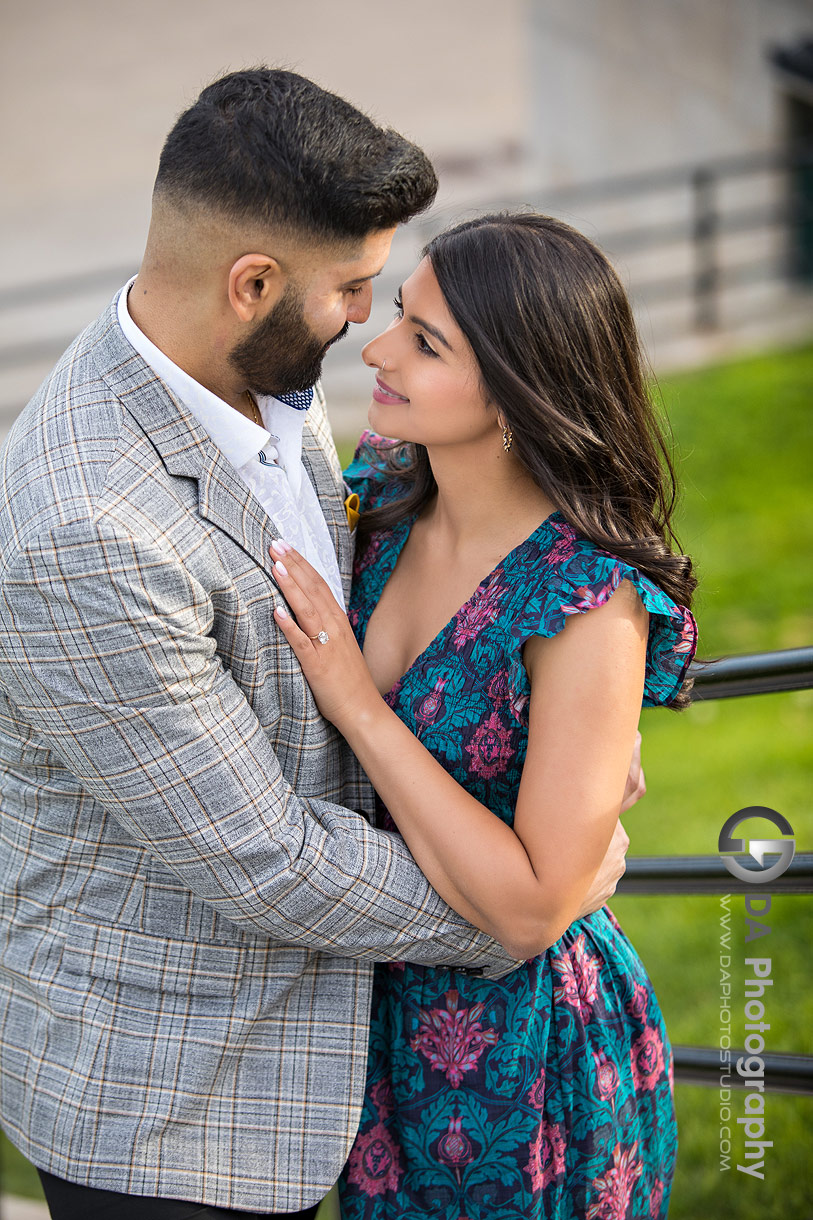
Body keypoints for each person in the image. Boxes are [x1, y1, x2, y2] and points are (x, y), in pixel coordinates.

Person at [0, 74, 637, 1219]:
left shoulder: (262, 381)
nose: (367, 329)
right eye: (353, 289)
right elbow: (269, 860)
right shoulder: (88, 529)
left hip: (354, 1060)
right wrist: (539, 894)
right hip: (178, 1113)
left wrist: (552, 772)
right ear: (252, 284)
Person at [270, 212, 698, 1219]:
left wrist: (359, 707)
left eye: (425, 341)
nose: (376, 348)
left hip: (521, 1056)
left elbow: (531, 905)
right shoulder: (375, 494)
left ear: (516, 389)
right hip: (368, 1026)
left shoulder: (585, 602)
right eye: (400, 318)